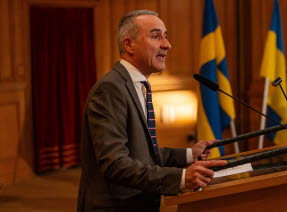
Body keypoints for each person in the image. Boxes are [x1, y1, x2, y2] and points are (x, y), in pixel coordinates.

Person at [77, 10, 227, 211]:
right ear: (129, 44)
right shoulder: (111, 88)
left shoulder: (137, 85)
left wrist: (189, 154)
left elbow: (141, 153)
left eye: (165, 36)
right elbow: (115, 164)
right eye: (156, 36)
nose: (167, 44)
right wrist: (181, 178)